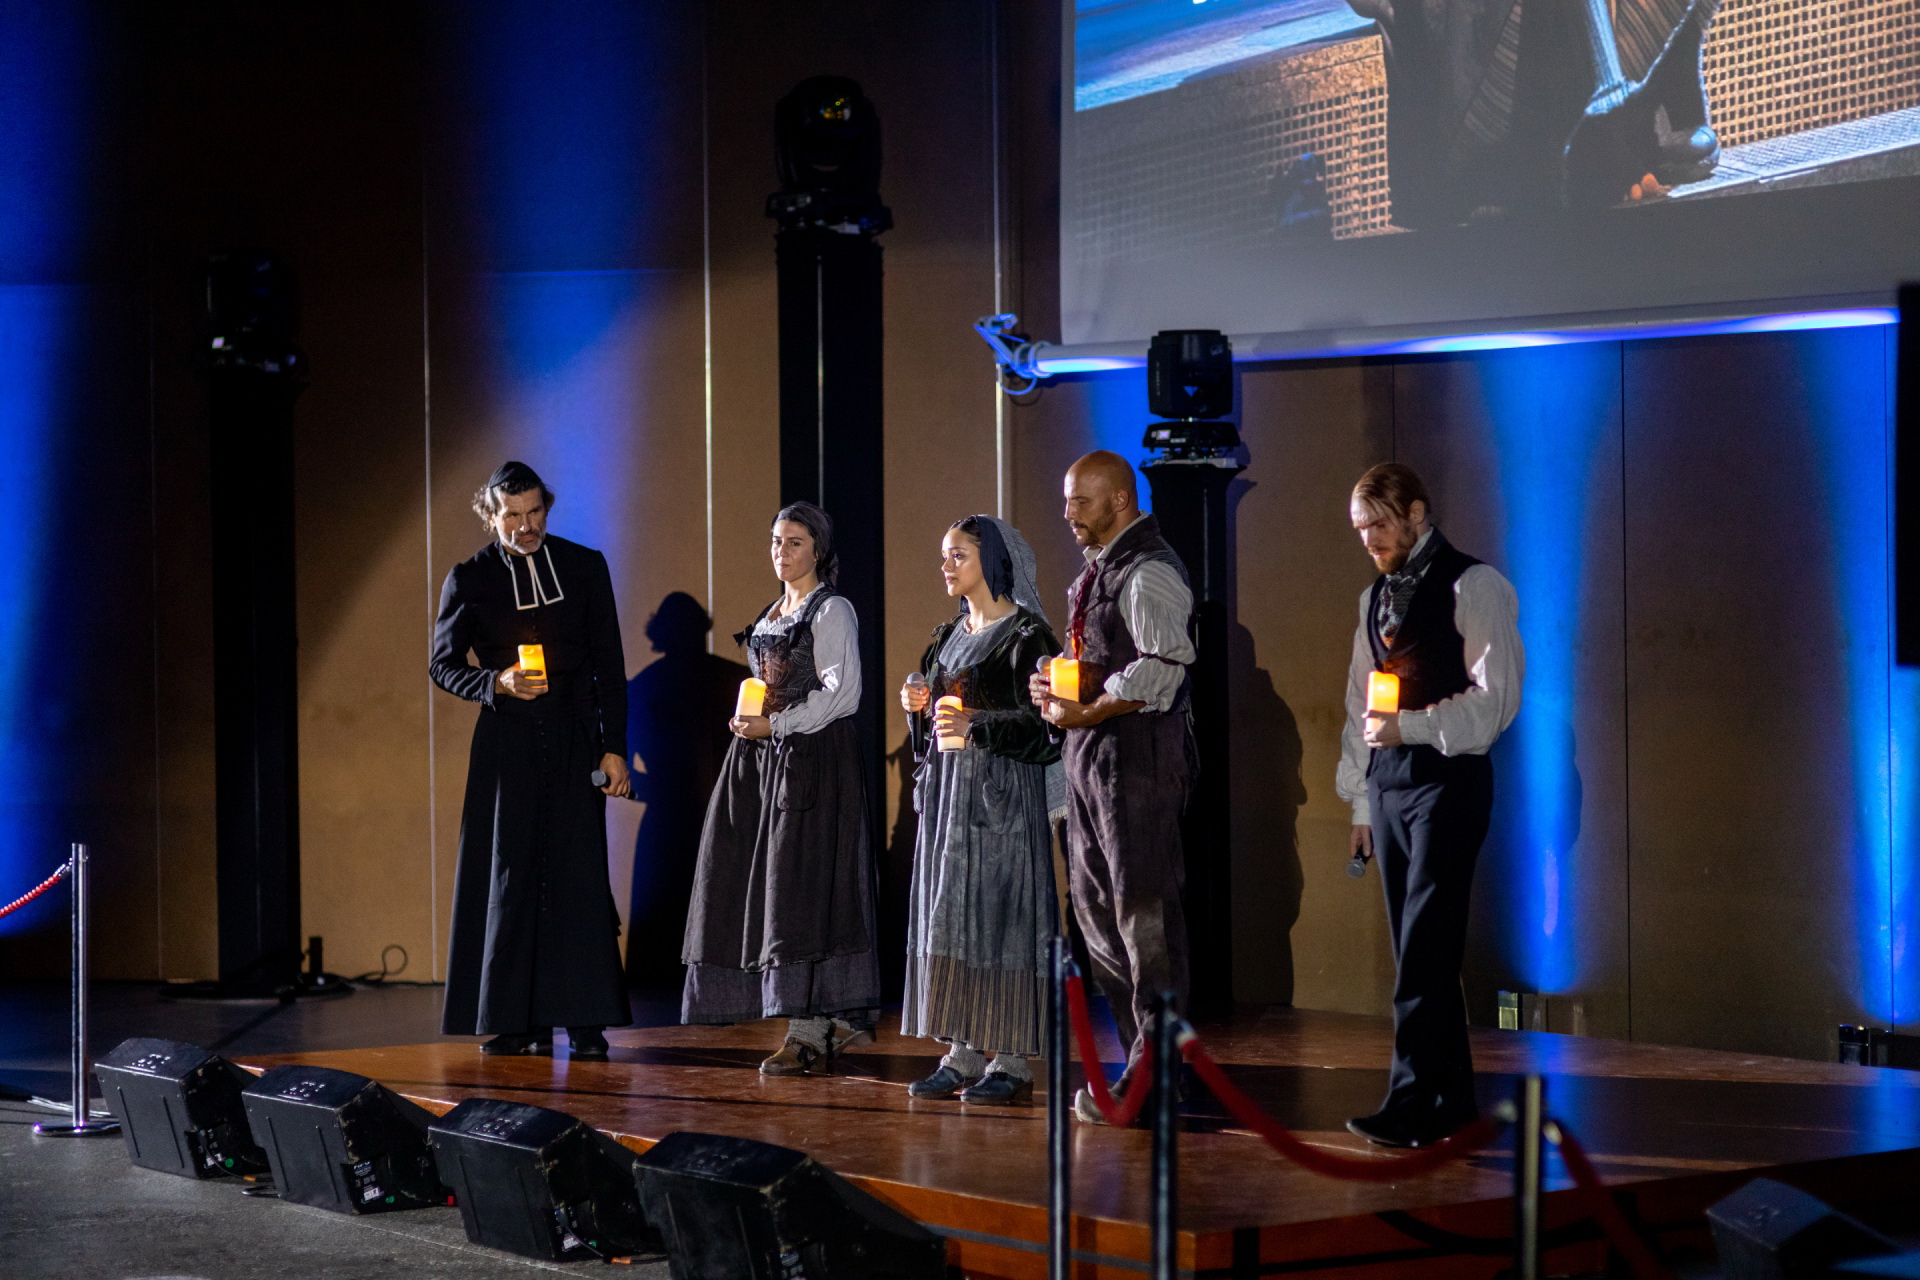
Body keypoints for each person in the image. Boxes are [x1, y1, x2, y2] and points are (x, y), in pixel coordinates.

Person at [1337, 462, 1523, 1147]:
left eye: (1380, 523)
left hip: (1448, 782)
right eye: (1360, 529)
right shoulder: (1374, 598)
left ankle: (1411, 1100)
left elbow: (1496, 701)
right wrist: (1360, 799)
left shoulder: (1476, 585)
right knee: (1421, 952)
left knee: (1425, 950)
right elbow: (1360, 698)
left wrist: (1410, 727)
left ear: (1418, 511)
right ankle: (1452, 1102)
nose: (1370, 540)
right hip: (1390, 784)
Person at [430, 461, 633, 1060]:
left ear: (547, 507)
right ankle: (518, 1022)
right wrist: (496, 683)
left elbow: (609, 667)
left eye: (535, 512)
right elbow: (442, 665)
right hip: (507, 745)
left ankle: (587, 1020)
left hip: (573, 739)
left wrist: (613, 744)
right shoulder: (468, 577)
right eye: (512, 516)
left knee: (576, 876)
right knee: (511, 876)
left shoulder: (583, 566)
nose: (526, 526)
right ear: (491, 516)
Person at [681, 502, 881, 1074]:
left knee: (802, 889)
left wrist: (779, 723)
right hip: (765, 762)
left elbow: (845, 695)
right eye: (775, 541)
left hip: (813, 763)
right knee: (765, 886)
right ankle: (813, 1022)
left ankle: (811, 1029)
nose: (781, 551)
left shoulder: (831, 610)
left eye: (794, 542)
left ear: (818, 549)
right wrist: (751, 719)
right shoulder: (772, 613)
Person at [1028, 451, 1196, 1126]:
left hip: (1138, 764)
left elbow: (1162, 666)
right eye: (1067, 501)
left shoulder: (1148, 570)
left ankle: (1159, 1073)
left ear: (1121, 500)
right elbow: (1104, 660)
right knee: (1099, 922)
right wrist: (1058, 681)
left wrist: (1089, 709)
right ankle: (1140, 1065)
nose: (1068, 514)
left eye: (1081, 502)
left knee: (1144, 922)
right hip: (1094, 764)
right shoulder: (1100, 571)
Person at [899, 516, 1062, 1106]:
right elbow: (933, 723)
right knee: (952, 914)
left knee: (1002, 917)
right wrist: (917, 707)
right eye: (943, 556)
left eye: (958, 555)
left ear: (991, 560)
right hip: (950, 800)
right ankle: (962, 1049)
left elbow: (1049, 731)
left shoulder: (1028, 638)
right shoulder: (946, 635)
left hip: (1003, 801)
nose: (946, 566)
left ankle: (1011, 1058)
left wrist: (979, 727)